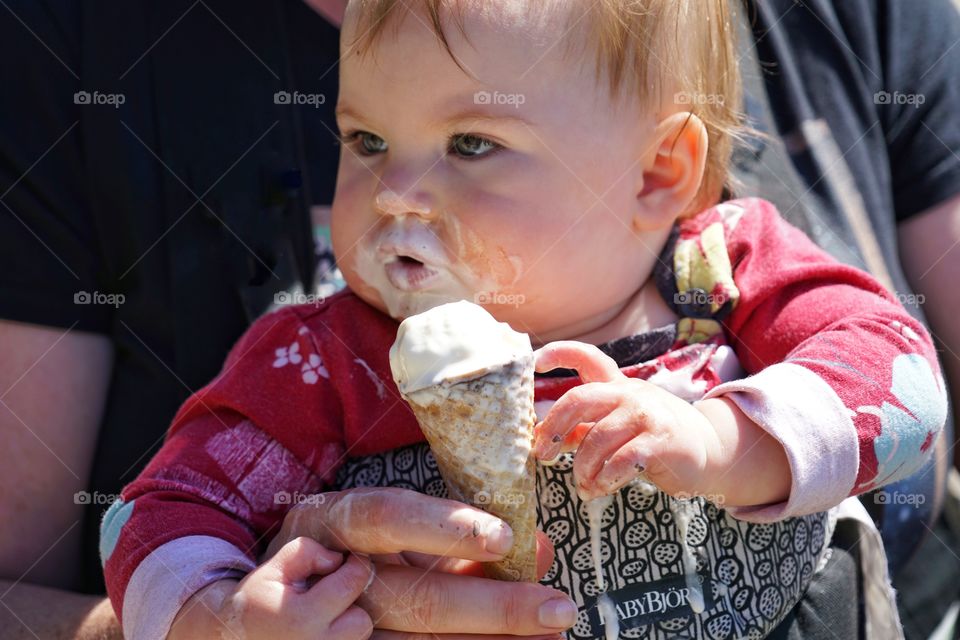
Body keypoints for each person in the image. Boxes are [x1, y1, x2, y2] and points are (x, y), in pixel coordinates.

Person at [98, 1, 947, 638]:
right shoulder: (328, 358)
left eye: (470, 145)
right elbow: (155, 511)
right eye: (366, 142)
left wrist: (733, 444)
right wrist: (218, 615)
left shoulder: (725, 270)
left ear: (657, 172)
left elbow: (904, 377)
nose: (393, 194)